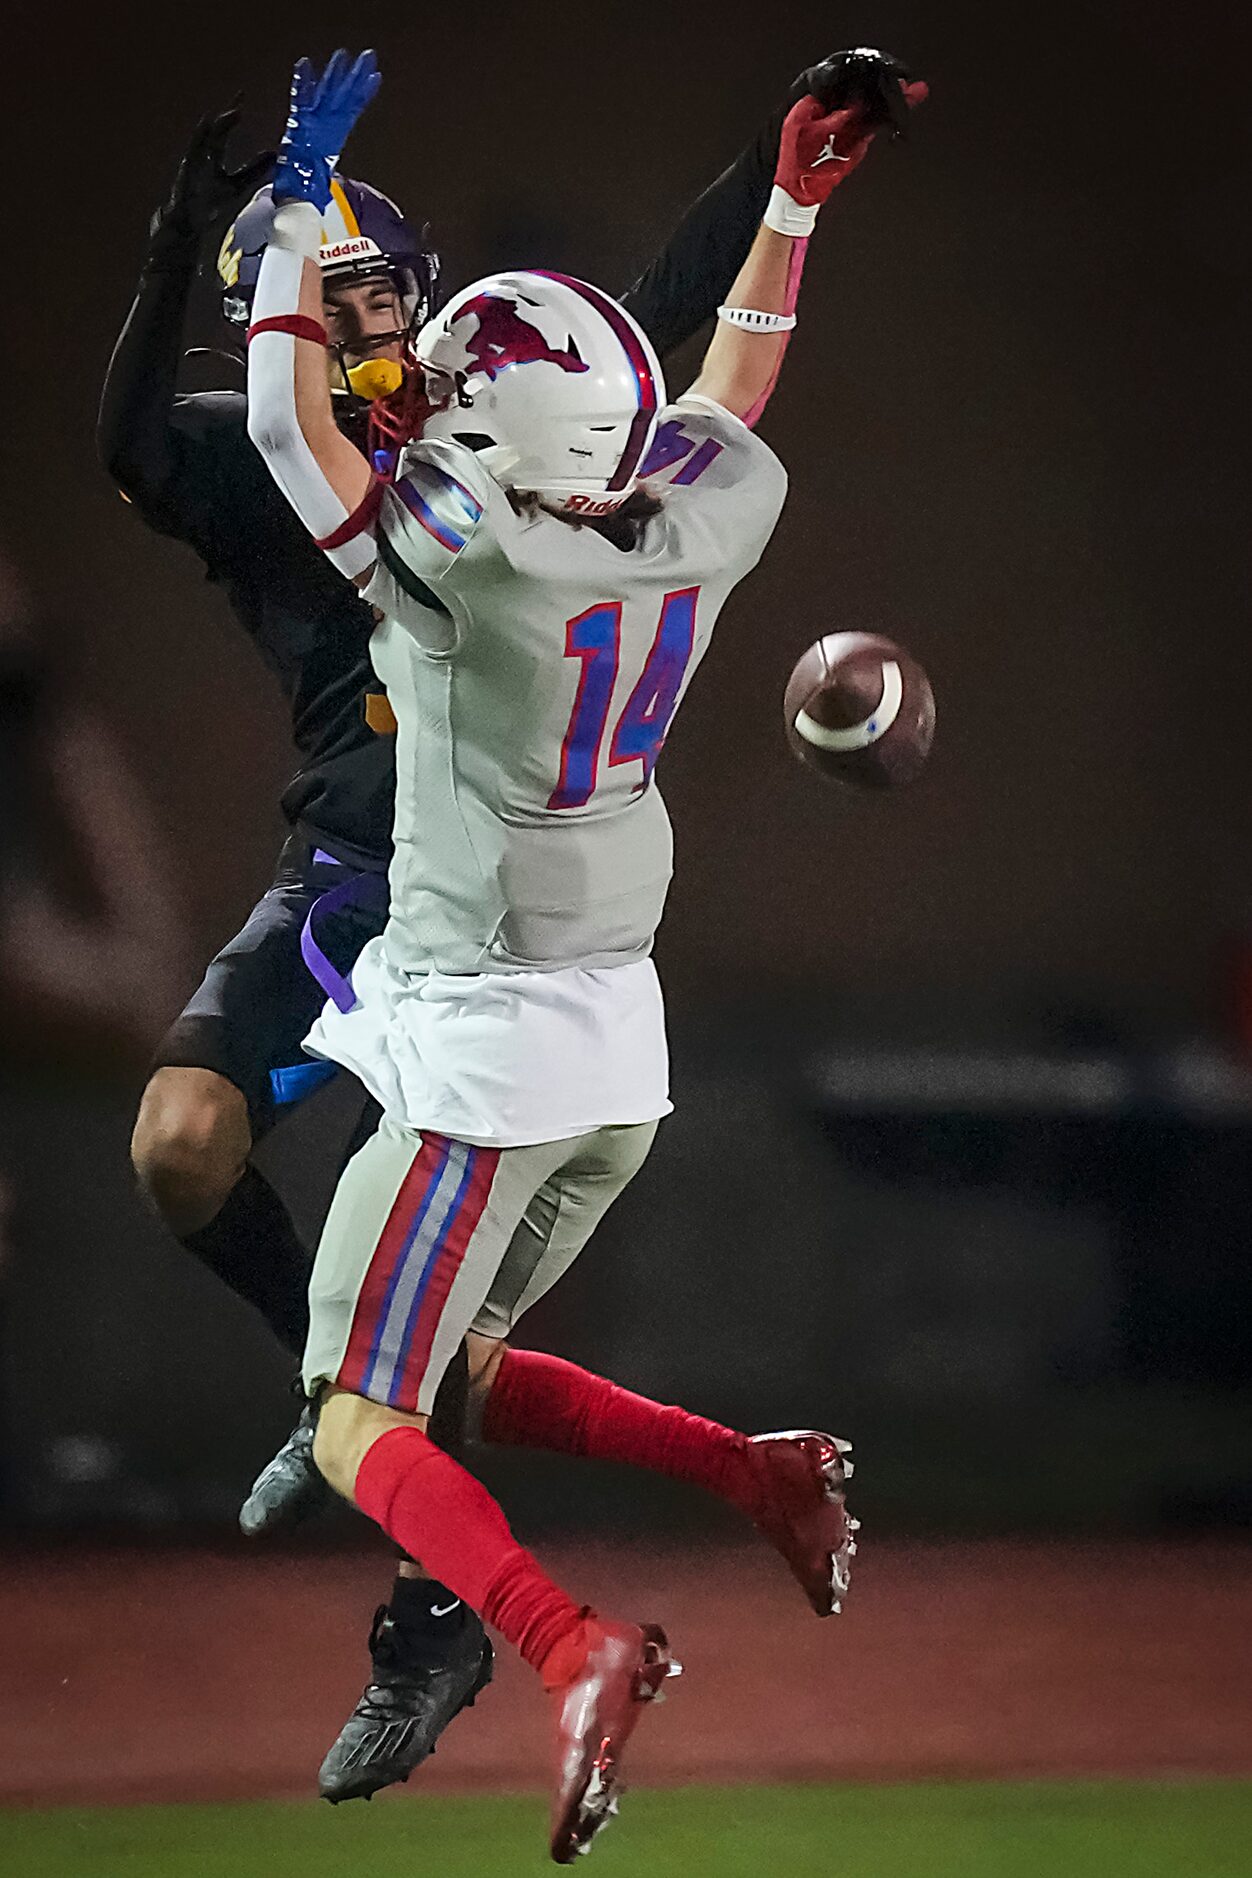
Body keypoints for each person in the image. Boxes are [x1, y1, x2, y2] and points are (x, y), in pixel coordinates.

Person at [98, 45, 918, 1801]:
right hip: (619, 1042)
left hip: (488, 1039)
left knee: (353, 1409)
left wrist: (300, 207)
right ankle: (754, 1470)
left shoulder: (453, 563)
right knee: (459, 1367)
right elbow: (737, 373)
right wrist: (787, 203)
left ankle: (565, 1646)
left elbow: (272, 422)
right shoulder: (700, 515)